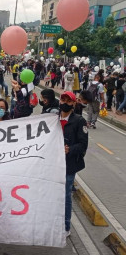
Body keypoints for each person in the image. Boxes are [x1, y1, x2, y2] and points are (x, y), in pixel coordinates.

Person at [59, 91, 88, 237]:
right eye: (62, 100)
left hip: (69, 164)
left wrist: (69, 150)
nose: (65, 103)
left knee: (65, 195)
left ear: (73, 104)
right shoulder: (52, 119)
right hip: (53, 164)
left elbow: (83, 145)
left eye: (68, 101)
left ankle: (65, 226)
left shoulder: (79, 121)